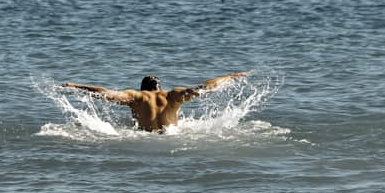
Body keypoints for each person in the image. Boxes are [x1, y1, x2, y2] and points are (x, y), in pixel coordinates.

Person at [62, 72, 248, 132]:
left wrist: (75, 86)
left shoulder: (136, 97)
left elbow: (105, 94)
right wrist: (230, 77)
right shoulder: (173, 95)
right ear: (160, 88)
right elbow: (205, 88)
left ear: (143, 88)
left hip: (144, 137)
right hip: (172, 136)